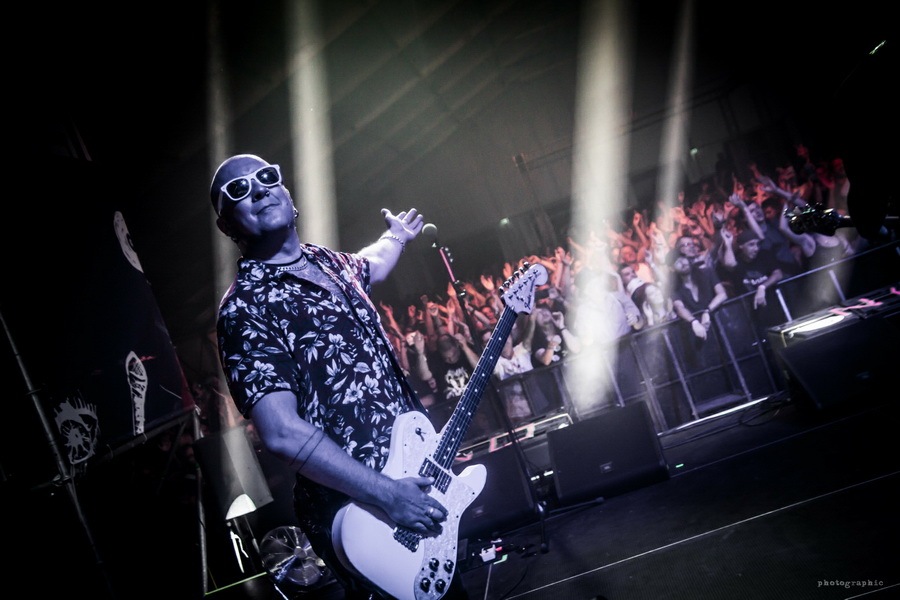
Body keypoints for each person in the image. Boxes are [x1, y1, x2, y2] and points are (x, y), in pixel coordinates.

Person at [209, 154, 469, 599]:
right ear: (227, 225)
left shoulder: (329, 263)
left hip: (410, 485)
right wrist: (387, 494)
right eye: (238, 190)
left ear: (288, 194)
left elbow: (372, 262)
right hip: (360, 514)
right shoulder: (244, 308)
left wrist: (395, 237)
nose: (258, 189)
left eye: (267, 177)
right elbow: (281, 433)